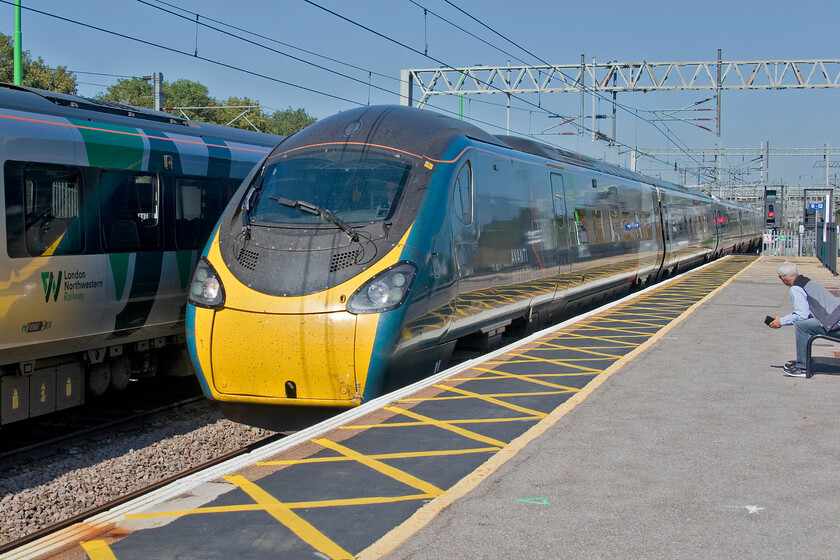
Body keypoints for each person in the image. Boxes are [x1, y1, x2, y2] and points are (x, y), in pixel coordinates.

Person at [773, 261, 840, 378]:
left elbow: (801, 315)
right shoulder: (807, 281)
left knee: (801, 326)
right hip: (835, 320)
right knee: (805, 324)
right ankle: (803, 361)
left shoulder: (796, 288)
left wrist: (781, 321)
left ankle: (802, 367)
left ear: (783, 278)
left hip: (834, 325)